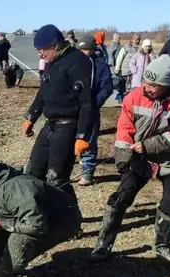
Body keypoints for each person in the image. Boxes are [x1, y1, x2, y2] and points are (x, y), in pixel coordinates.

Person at [91, 55, 170, 265]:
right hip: (139, 155)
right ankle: (103, 244)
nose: (147, 87)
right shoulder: (133, 96)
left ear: (168, 84)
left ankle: (162, 246)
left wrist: (148, 145)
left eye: (153, 85)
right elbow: (124, 129)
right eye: (145, 81)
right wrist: (124, 158)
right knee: (121, 196)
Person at [22, 24, 95, 199]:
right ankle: (40, 213)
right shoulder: (52, 62)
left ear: (54, 46)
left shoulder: (78, 62)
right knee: (33, 172)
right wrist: (31, 117)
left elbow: (87, 103)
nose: (40, 54)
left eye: (42, 50)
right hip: (50, 125)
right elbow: (43, 91)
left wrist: (82, 136)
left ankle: (72, 222)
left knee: (57, 179)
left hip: (68, 127)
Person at [77, 38, 114, 186]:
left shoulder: (100, 66)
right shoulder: (73, 65)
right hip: (73, 109)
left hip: (91, 110)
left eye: (85, 50)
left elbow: (107, 87)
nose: (82, 53)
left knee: (89, 140)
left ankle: (87, 171)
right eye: (80, 50)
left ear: (92, 50)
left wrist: (94, 103)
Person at [114, 34, 141, 100]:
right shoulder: (126, 47)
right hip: (125, 71)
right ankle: (121, 99)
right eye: (136, 39)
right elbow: (120, 58)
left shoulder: (140, 49)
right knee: (123, 87)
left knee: (131, 88)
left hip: (134, 72)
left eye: (138, 40)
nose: (137, 41)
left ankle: (127, 101)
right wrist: (117, 68)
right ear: (132, 40)